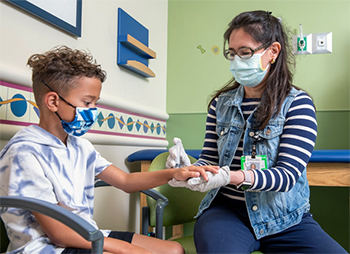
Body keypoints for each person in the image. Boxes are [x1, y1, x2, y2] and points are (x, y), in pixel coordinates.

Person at [0, 46, 220, 254]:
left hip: (86, 233)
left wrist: (173, 174)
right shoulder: (25, 153)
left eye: (95, 103)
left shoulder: (80, 146)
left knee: (174, 250)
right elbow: (59, 234)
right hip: (47, 247)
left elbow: (125, 181)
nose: (93, 111)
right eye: (87, 103)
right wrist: (127, 248)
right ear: (53, 102)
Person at [167, 10, 347, 254]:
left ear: (272, 52)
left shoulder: (297, 104)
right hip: (226, 214)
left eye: (245, 52)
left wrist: (232, 176)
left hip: (284, 219)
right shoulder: (220, 104)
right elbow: (210, 159)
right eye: (232, 53)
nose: (237, 60)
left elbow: (286, 177)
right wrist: (188, 170)